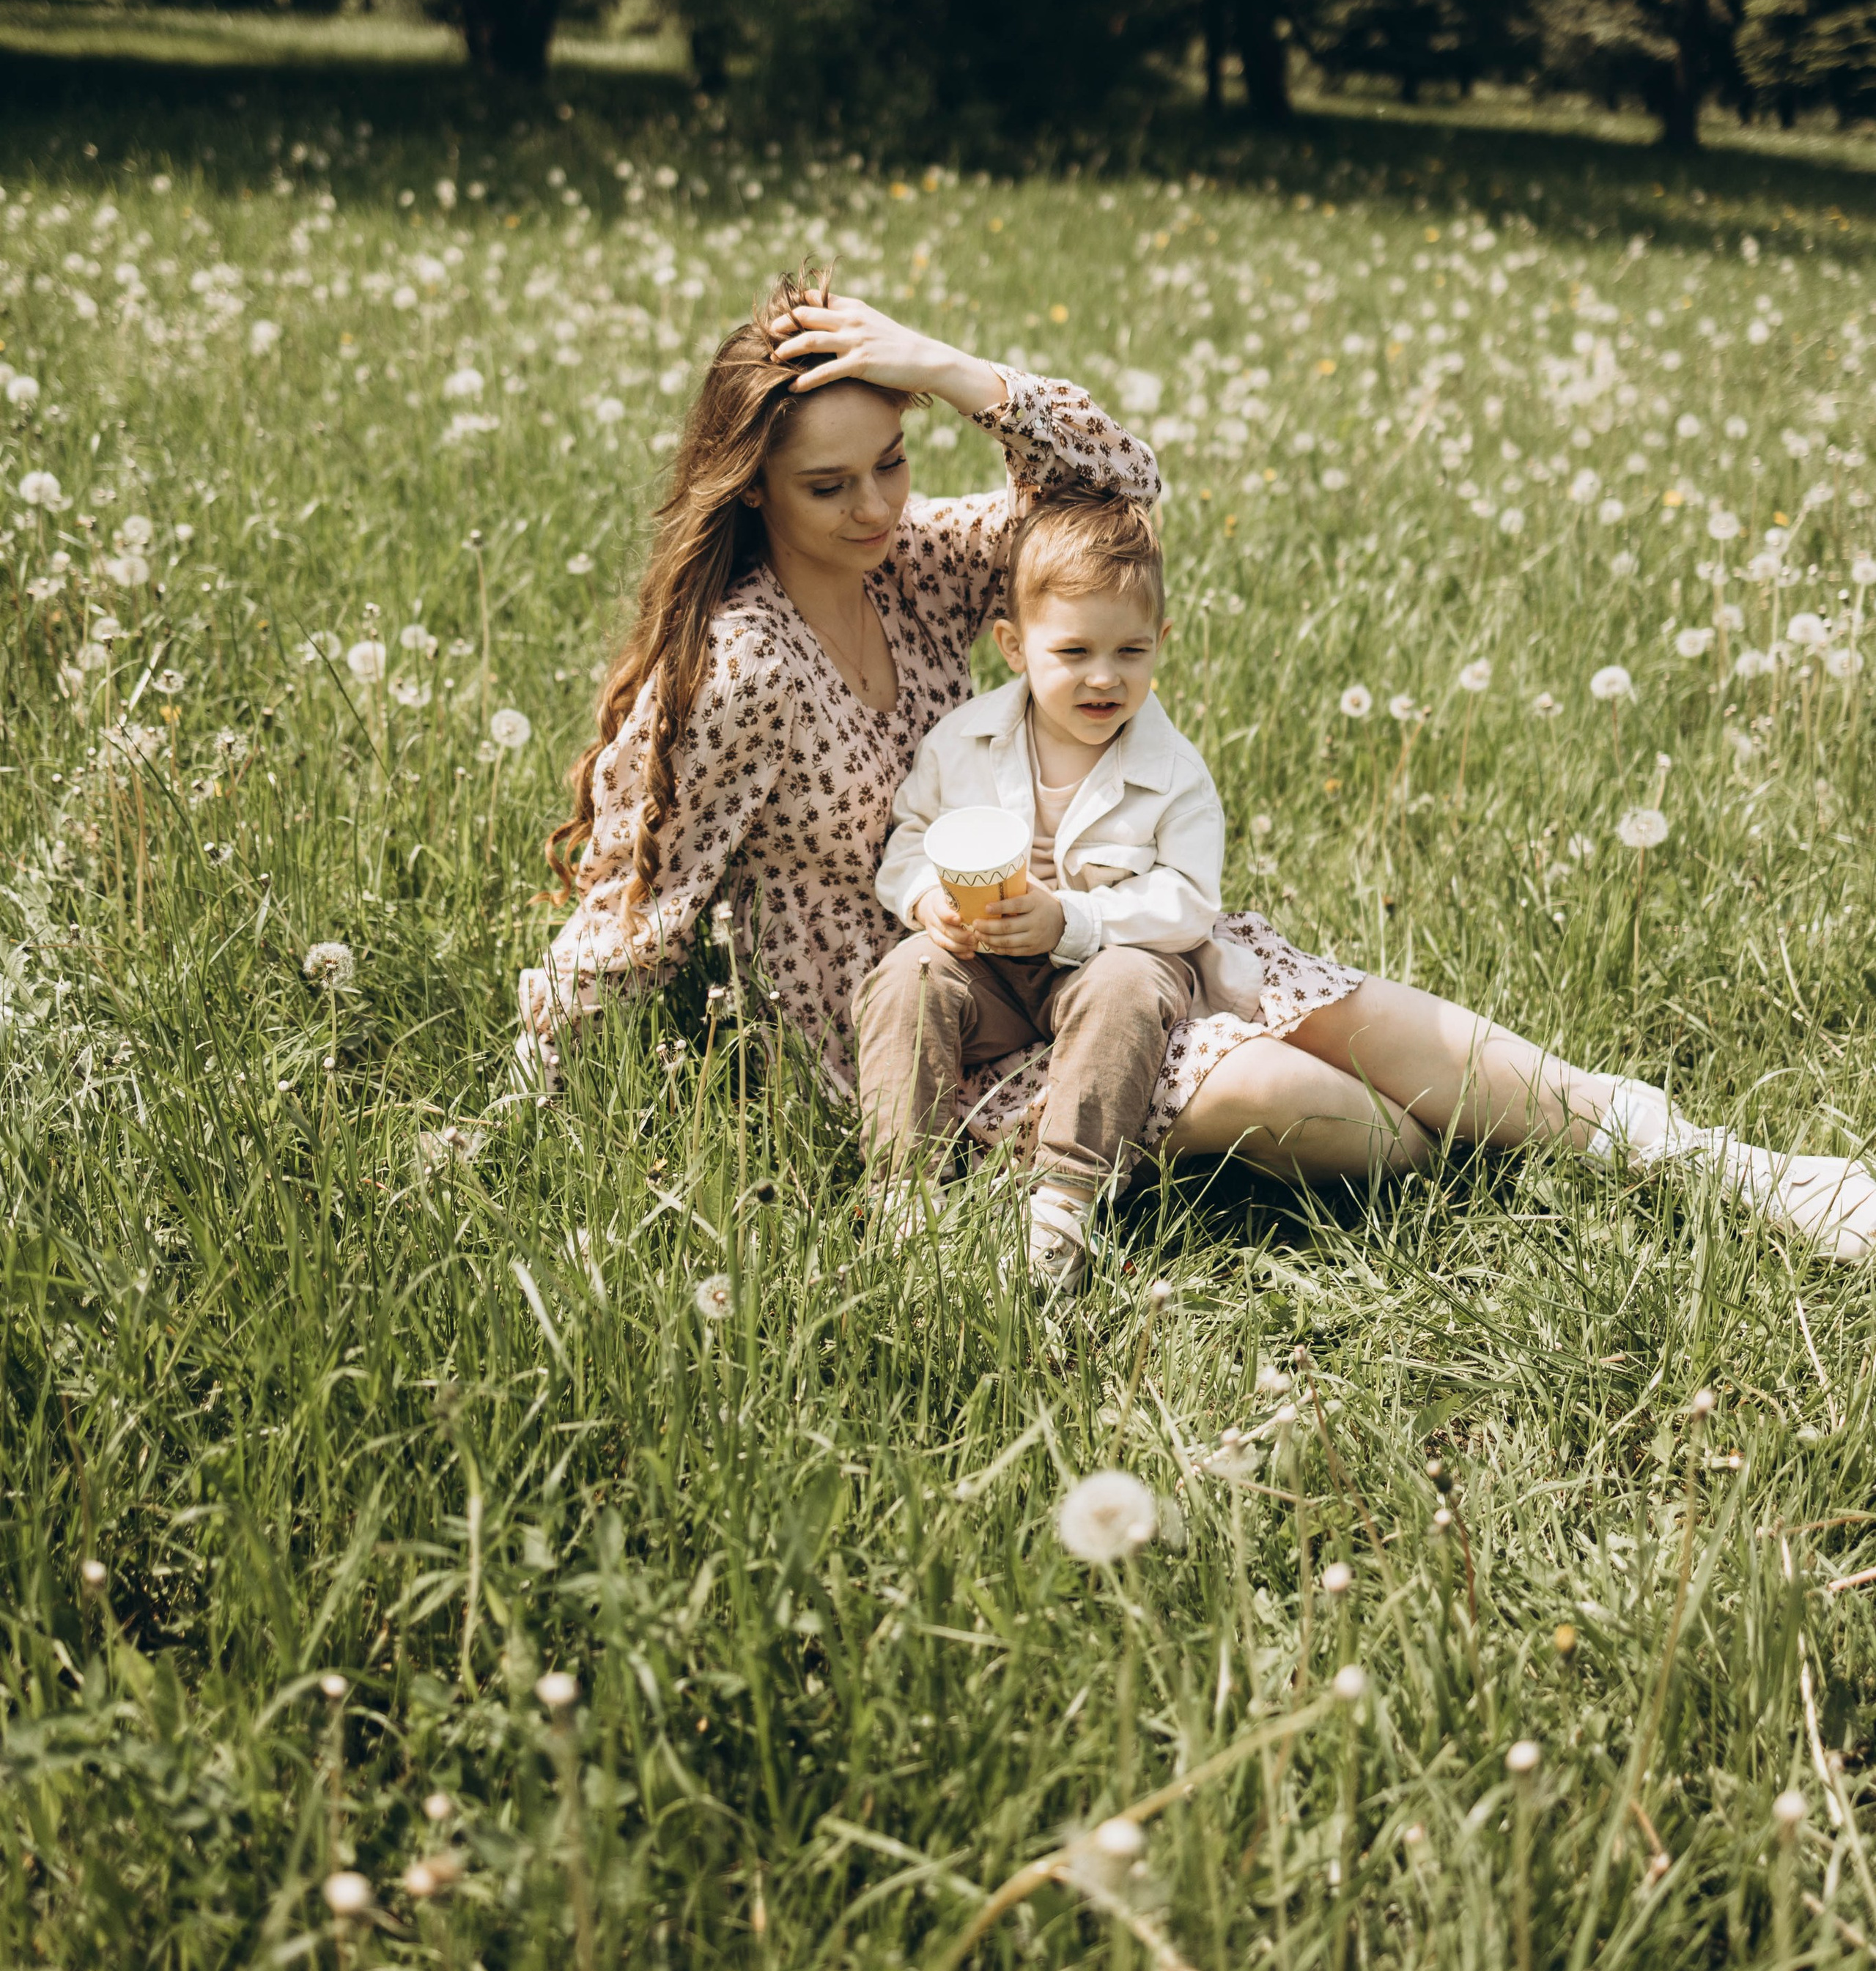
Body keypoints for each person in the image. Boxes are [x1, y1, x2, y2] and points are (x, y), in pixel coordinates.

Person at [520, 274, 1876, 1263]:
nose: (877, 506)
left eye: (894, 462)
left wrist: (950, 367)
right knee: (1341, 1116)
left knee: (1355, 1016)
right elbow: (635, 908)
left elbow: (1117, 488)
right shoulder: (740, 668)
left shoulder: (917, 564)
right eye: (831, 486)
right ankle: (1468, 1160)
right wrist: (527, 1101)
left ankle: (1730, 1169)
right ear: (752, 486)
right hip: (925, 1023)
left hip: (1088, 922)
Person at [864, 489, 1257, 1296]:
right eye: (1073, 652)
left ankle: (1064, 1204)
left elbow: (1189, 901)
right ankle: (907, 1193)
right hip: (991, 966)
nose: (1104, 677)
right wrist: (928, 899)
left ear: (1161, 643)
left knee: (1125, 984)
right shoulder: (963, 741)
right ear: (1014, 647)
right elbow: (908, 840)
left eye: (1131, 652)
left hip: (1111, 959)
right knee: (908, 973)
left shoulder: (1172, 772)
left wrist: (1071, 920)